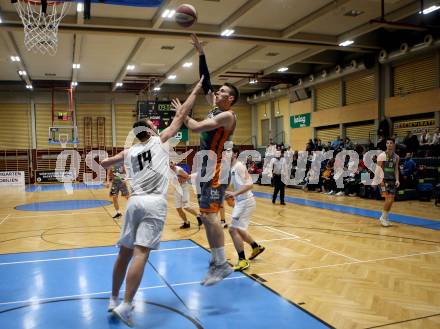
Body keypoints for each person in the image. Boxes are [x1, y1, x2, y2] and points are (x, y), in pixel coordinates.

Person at [100, 77, 203, 327]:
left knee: (124, 253)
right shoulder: (160, 141)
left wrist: (115, 163)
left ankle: (113, 299)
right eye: (152, 124)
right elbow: (183, 115)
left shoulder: (129, 151)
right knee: (141, 253)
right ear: (150, 131)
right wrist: (197, 88)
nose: (156, 126)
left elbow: (103, 163)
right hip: (153, 203)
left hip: (133, 203)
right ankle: (126, 303)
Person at [184, 33, 239, 286]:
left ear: (230, 99)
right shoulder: (217, 106)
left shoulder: (228, 116)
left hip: (217, 167)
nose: (217, 92)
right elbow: (206, 84)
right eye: (219, 91)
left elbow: (196, 127)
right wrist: (201, 54)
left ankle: (222, 264)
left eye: (223, 92)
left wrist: (182, 114)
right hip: (207, 166)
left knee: (211, 216)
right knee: (207, 216)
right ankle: (217, 261)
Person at [226, 147, 265, 271]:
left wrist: (235, 194)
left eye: (228, 151)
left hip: (246, 202)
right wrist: (227, 193)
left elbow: (249, 184)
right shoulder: (231, 169)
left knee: (233, 230)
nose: (226, 153)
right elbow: (234, 187)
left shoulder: (239, 166)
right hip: (241, 202)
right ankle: (255, 247)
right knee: (239, 230)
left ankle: (243, 261)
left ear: (235, 154)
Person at [169, 161, 202, 229]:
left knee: (186, 207)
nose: (170, 165)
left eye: (171, 163)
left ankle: (198, 216)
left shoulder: (179, 170)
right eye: (169, 164)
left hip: (184, 189)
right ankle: (186, 223)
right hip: (177, 189)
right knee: (178, 208)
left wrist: (183, 179)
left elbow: (188, 177)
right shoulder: (168, 171)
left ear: (174, 163)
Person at [376, 138, 400, 227]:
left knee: (391, 199)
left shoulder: (396, 157)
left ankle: (385, 218)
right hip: (383, 180)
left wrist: (397, 179)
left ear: (393, 144)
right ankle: (382, 218)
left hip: (392, 180)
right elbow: (378, 168)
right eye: (387, 143)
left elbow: (396, 169)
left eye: (391, 143)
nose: (389, 144)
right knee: (388, 198)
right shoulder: (382, 155)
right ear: (386, 144)